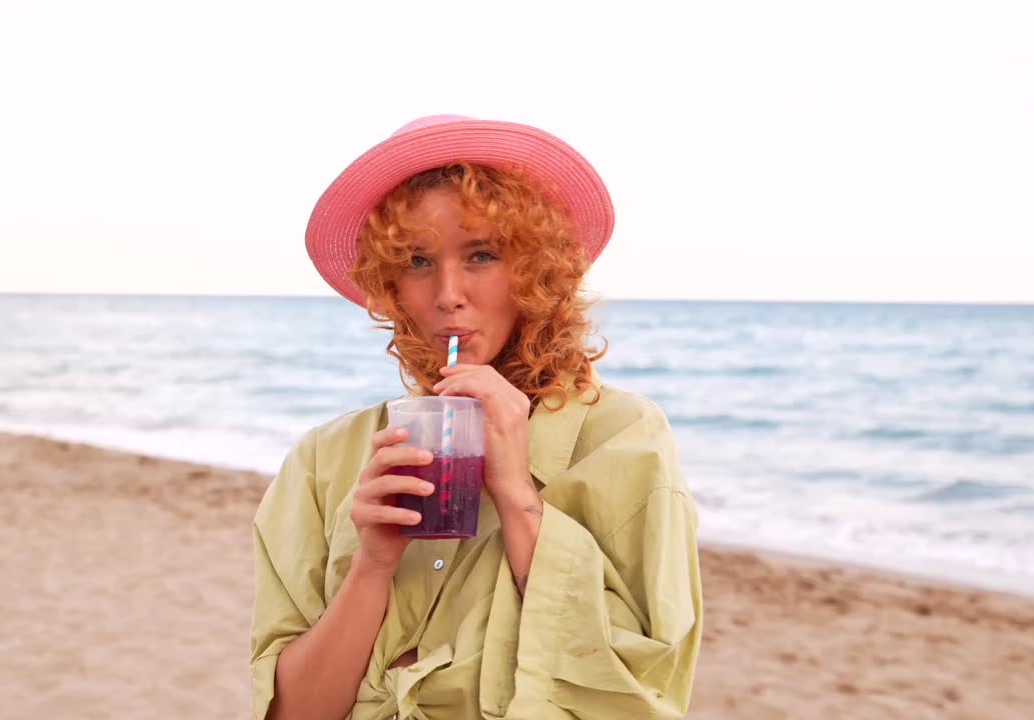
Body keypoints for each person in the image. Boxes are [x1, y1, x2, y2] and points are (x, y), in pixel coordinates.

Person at [250, 115, 702, 720]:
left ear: (537, 273)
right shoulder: (323, 460)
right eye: (415, 262)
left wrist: (516, 492)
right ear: (389, 286)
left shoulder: (624, 438)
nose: (446, 293)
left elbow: (642, 697)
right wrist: (373, 565)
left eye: (482, 255)